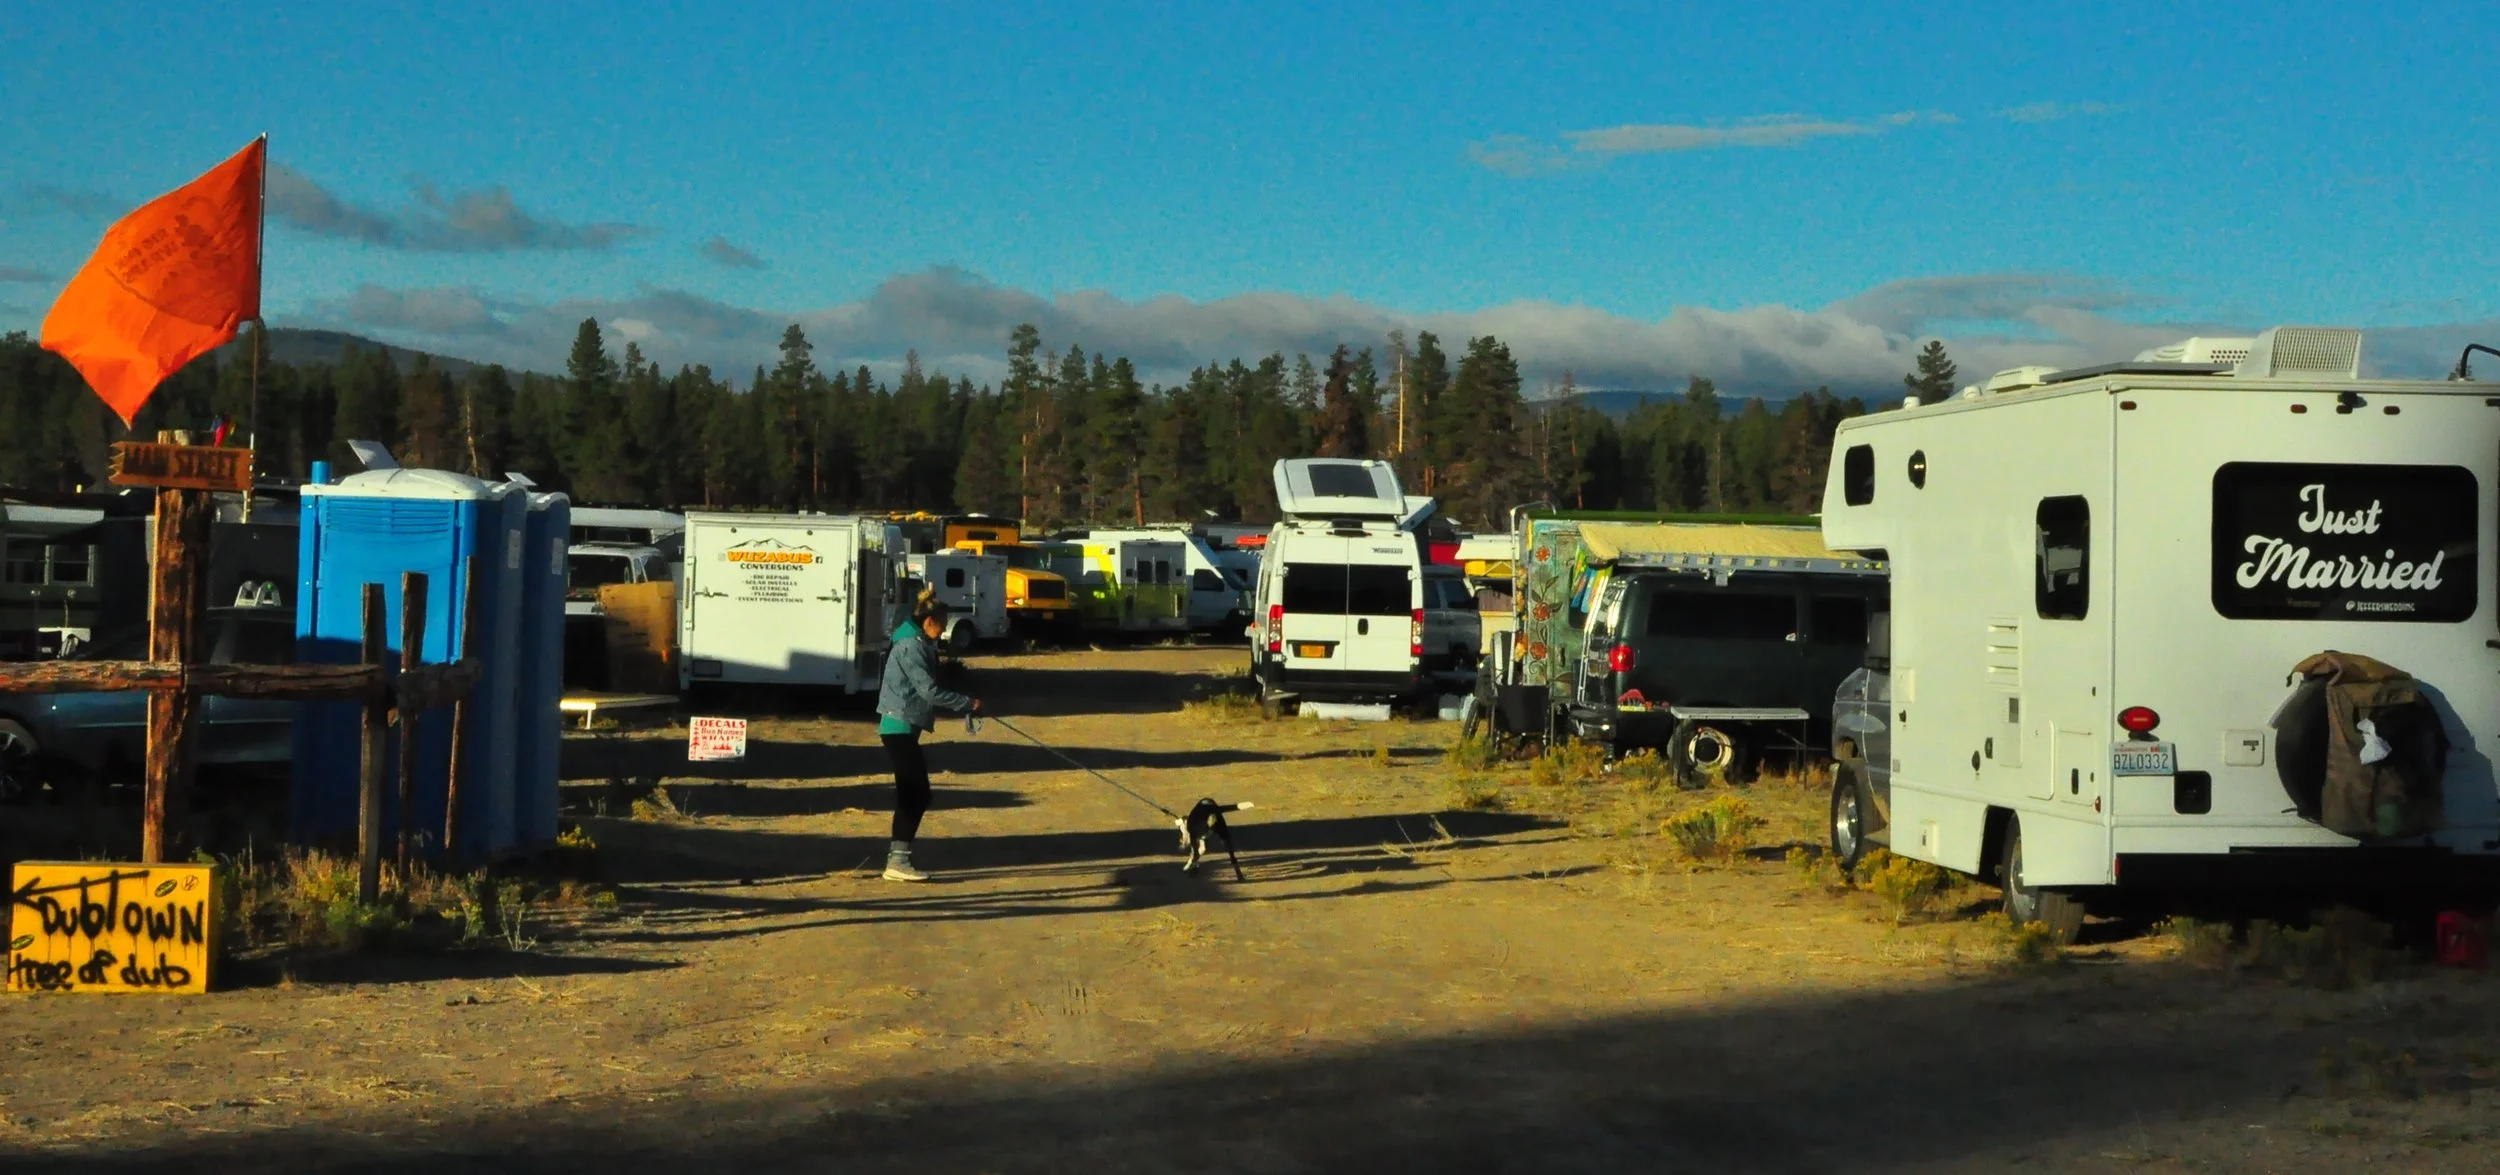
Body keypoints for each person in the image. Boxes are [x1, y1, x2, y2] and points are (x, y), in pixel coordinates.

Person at [874, 591, 980, 881]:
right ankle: (897, 861)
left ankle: (898, 858)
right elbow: (928, 691)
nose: (944, 629)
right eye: (942, 623)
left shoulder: (917, 642)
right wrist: (965, 703)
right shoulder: (911, 646)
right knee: (916, 793)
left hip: (904, 728)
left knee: (915, 793)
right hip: (898, 728)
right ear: (929, 621)